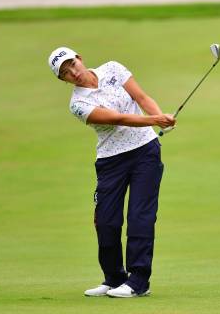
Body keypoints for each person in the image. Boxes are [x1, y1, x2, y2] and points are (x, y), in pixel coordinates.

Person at [47, 47, 176, 298]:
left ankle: (139, 282)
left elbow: (141, 97)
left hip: (145, 153)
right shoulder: (78, 104)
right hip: (110, 161)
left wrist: (158, 114)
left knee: (141, 217)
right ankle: (115, 278)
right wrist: (156, 121)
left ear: (80, 58)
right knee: (106, 222)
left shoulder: (113, 69)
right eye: (65, 73)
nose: (73, 72)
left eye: (72, 64)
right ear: (62, 80)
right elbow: (118, 118)